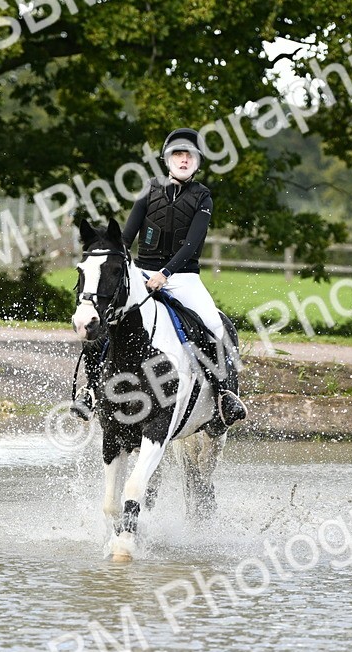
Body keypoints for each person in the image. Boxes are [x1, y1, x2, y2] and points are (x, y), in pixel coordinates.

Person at [73, 127, 247, 427]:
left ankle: (224, 395)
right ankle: (89, 391)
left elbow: (192, 243)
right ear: (167, 160)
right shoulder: (149, 191)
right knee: (100, 321)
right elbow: (126, 237)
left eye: (189, 155)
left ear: (198, 162)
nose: (183, 159)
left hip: (183, 277)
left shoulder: (202, 196)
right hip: (141, 272)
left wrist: (166, 274)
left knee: (215, 327)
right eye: (177, 154)